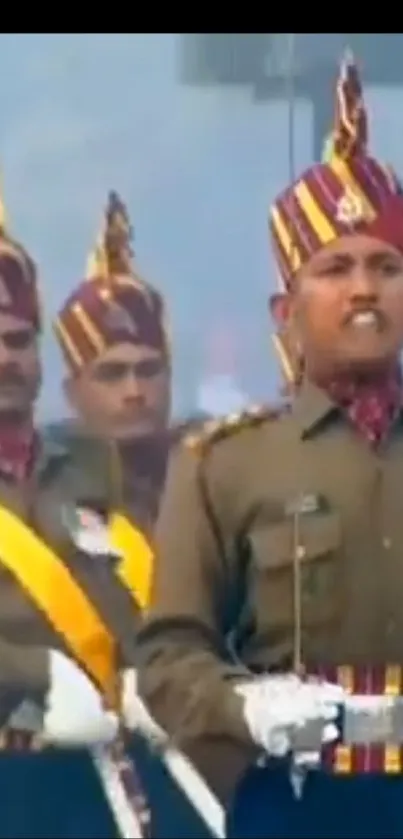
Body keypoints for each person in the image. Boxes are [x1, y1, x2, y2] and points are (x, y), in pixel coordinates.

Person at [136, 52, 403, 838]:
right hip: (297, 804)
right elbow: (168, 658)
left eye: (386, 267)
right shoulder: (225, 461)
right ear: (285, 306)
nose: (363, 289)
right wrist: (243, 706)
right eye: (335, 268)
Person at [53, 191, 212, 838]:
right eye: (111, 372)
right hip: (79, 776)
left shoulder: (215, 469)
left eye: (150, 369)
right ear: (72, 389)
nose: (134, 390)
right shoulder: (39, 491)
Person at [0, 185, 146, 837]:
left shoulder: (89, 462)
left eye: (18, 338)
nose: (5, 357)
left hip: (99, 782)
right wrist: (36, 672)